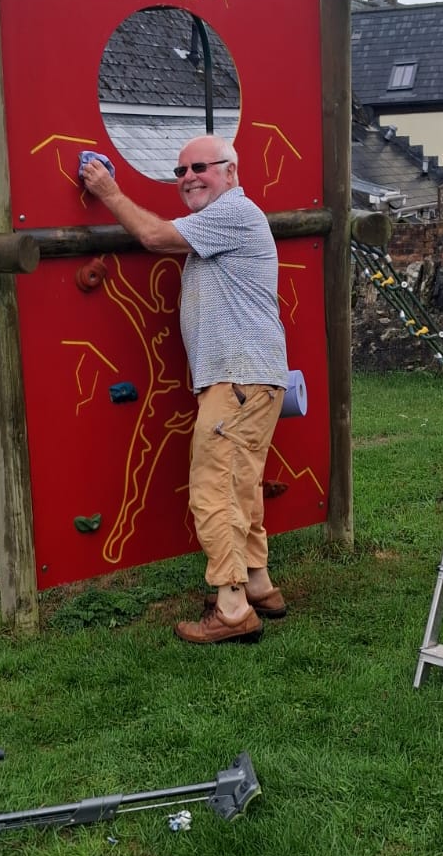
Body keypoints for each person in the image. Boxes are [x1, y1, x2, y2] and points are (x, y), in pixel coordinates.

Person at [80, 135, 288, 644]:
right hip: (252, 380)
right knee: (241, 486)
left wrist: (107, 189)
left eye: (200, 167)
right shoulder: (226, 219)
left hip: (237, 380)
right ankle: (259, 584)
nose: (188, 177)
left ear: (231, 172)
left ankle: (233, 608)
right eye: (179, 171)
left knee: (213, 489)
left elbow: (153, 236)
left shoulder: (233, 213)